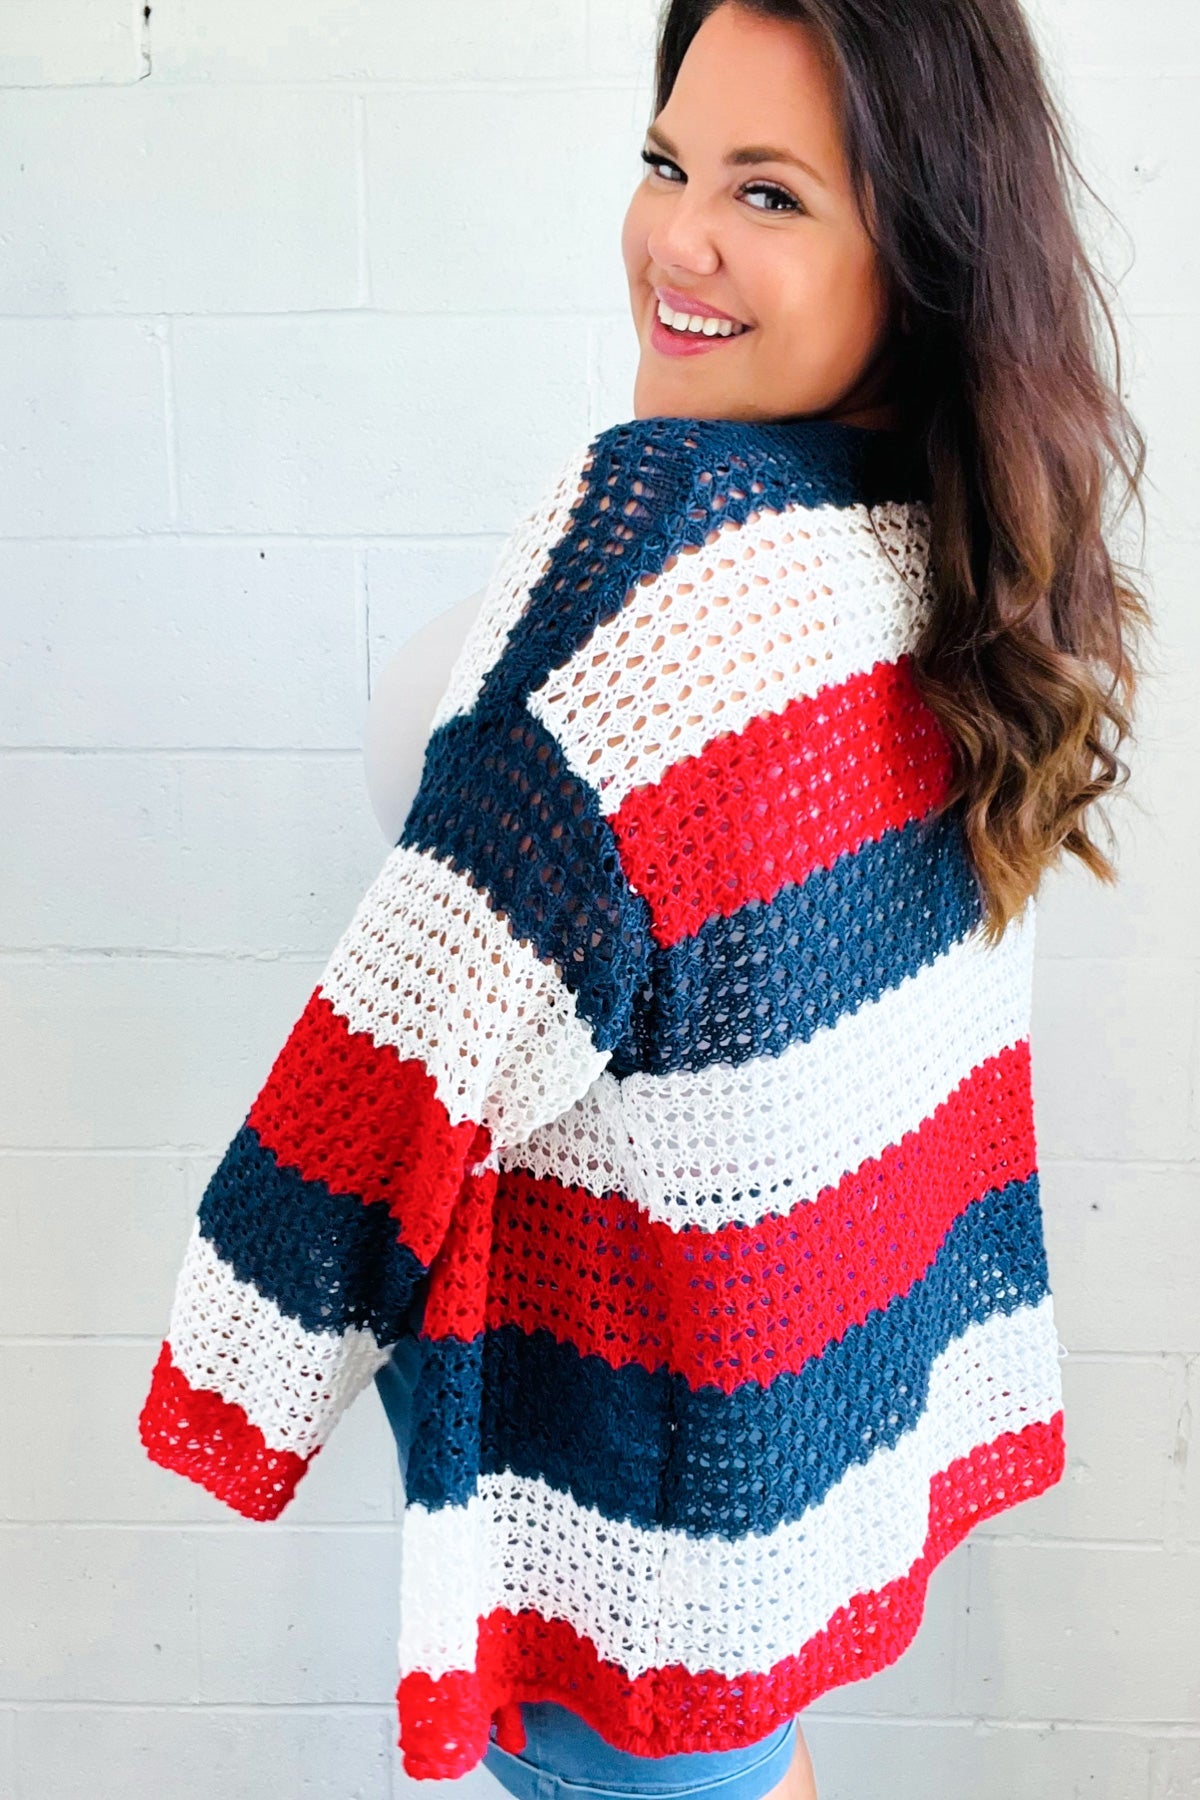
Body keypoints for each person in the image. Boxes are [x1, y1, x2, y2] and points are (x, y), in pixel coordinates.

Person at [137, 3, 1149, 1798]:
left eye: (768, 194)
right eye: (669, 164)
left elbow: (405, 1042)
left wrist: (239, 1366)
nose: (677, 240)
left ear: (911, 253)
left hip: (630, 1542)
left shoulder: (655, 544)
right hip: (788, 1498)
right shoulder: (960, 536)